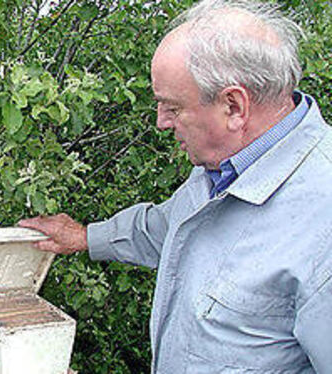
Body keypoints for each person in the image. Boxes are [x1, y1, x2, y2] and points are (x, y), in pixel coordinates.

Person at [19, 0, 332, 372]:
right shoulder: (225, 163)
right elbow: (171, 226)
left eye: (172, 107)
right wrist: (84, 237)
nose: (161, 123)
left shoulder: (321, 222)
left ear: (233, 106)